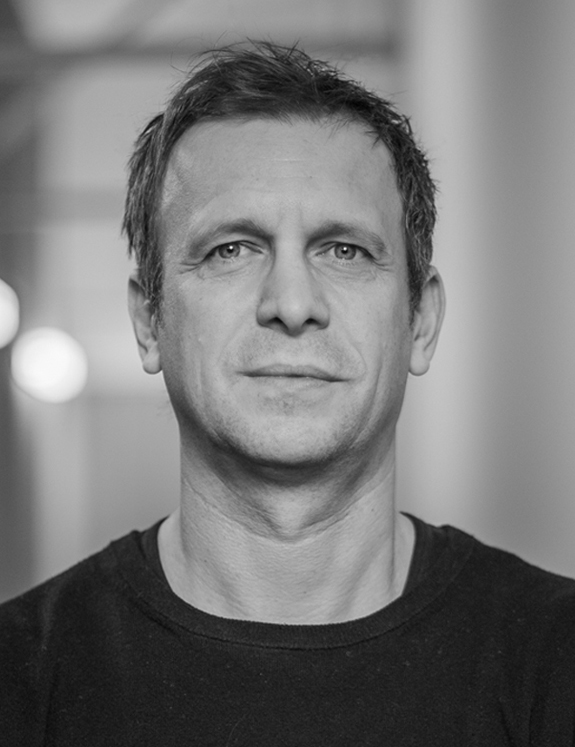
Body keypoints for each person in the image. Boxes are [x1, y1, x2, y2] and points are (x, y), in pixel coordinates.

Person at [1, 41, 574, 745]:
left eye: (344, 250)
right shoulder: (19, 676)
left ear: (420, 322)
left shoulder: (556, 659)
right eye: (231, 249)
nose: (292, 303)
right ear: (149, 321)